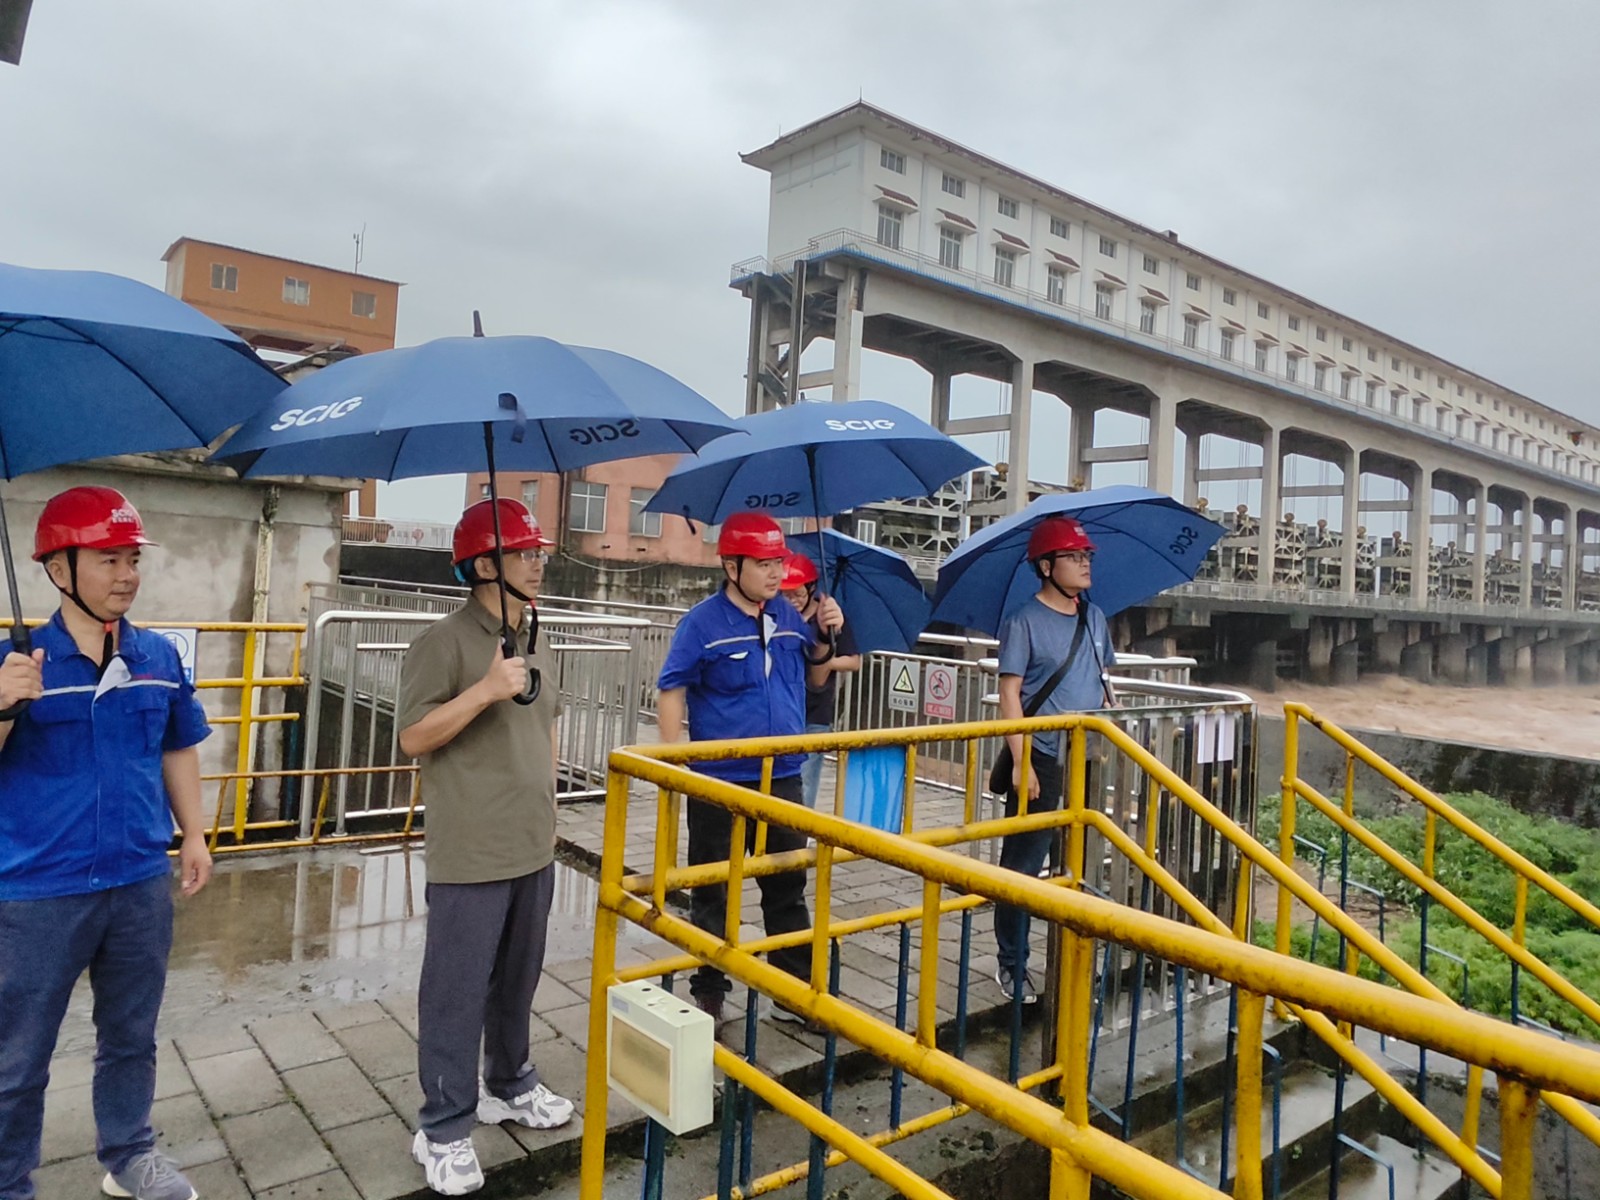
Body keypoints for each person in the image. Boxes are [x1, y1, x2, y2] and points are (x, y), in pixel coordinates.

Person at [0, 486, 212, 1200]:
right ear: (59, 569)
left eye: (132, 559)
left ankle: (129, 1155)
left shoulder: (157, 656)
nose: (126, 575)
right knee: (17, 1056)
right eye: (108, 559)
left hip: (137, 882)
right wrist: (2, 703)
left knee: (131, 1036)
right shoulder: (15, 664)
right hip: (37, 894)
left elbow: (178, 745)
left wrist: (195, 835)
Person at [396, 498, 573, 1197]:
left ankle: (510, 1082)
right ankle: (442, 1126)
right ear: (482, 565)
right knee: (455, 989)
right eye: (523, 552)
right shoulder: (442, 643)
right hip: (471, 849)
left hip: (532, 841)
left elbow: (546, 726)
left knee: (517, 979)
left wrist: (551, 806)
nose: (537, 561)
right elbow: (413, 736)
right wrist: (485, 690)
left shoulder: (533, 633)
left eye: (538, 551)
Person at [657, 513, 842, 1023]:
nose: (776, 572)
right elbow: (672, 687)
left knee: (787, 884)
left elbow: (815, 677)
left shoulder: (786, 616)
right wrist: (671, 763)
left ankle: (793, 993)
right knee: (713, 890)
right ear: (732, 566)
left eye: (778, 561)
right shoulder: (702, 623)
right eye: (763, 564)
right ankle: (709, 991)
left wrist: (825, 635)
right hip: (720, 780)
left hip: (782, 774)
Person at [992, 516, 1114, 1004]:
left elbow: (1101, 678)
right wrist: (1021, 761)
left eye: (1087, 556)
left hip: (1086, 757)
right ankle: (1012, 964)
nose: (1085, 564)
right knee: (1023, 865)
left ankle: (1075, 959)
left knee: (1081, 863)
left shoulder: (1095, 617)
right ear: (1046, 566)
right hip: (1041, 757)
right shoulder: (1023, 621)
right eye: (1074, 556)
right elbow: (1010, 694)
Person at [778, 552, 861, 810]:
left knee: (805, 779)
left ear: (811, 589)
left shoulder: (831, 618)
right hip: (785, 710)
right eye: (785, 595)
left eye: (797, 594)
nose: (792, 601)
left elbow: (854, 661)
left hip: (815, 710)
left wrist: (823, 661)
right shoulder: (782, 617)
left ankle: (802, 824)